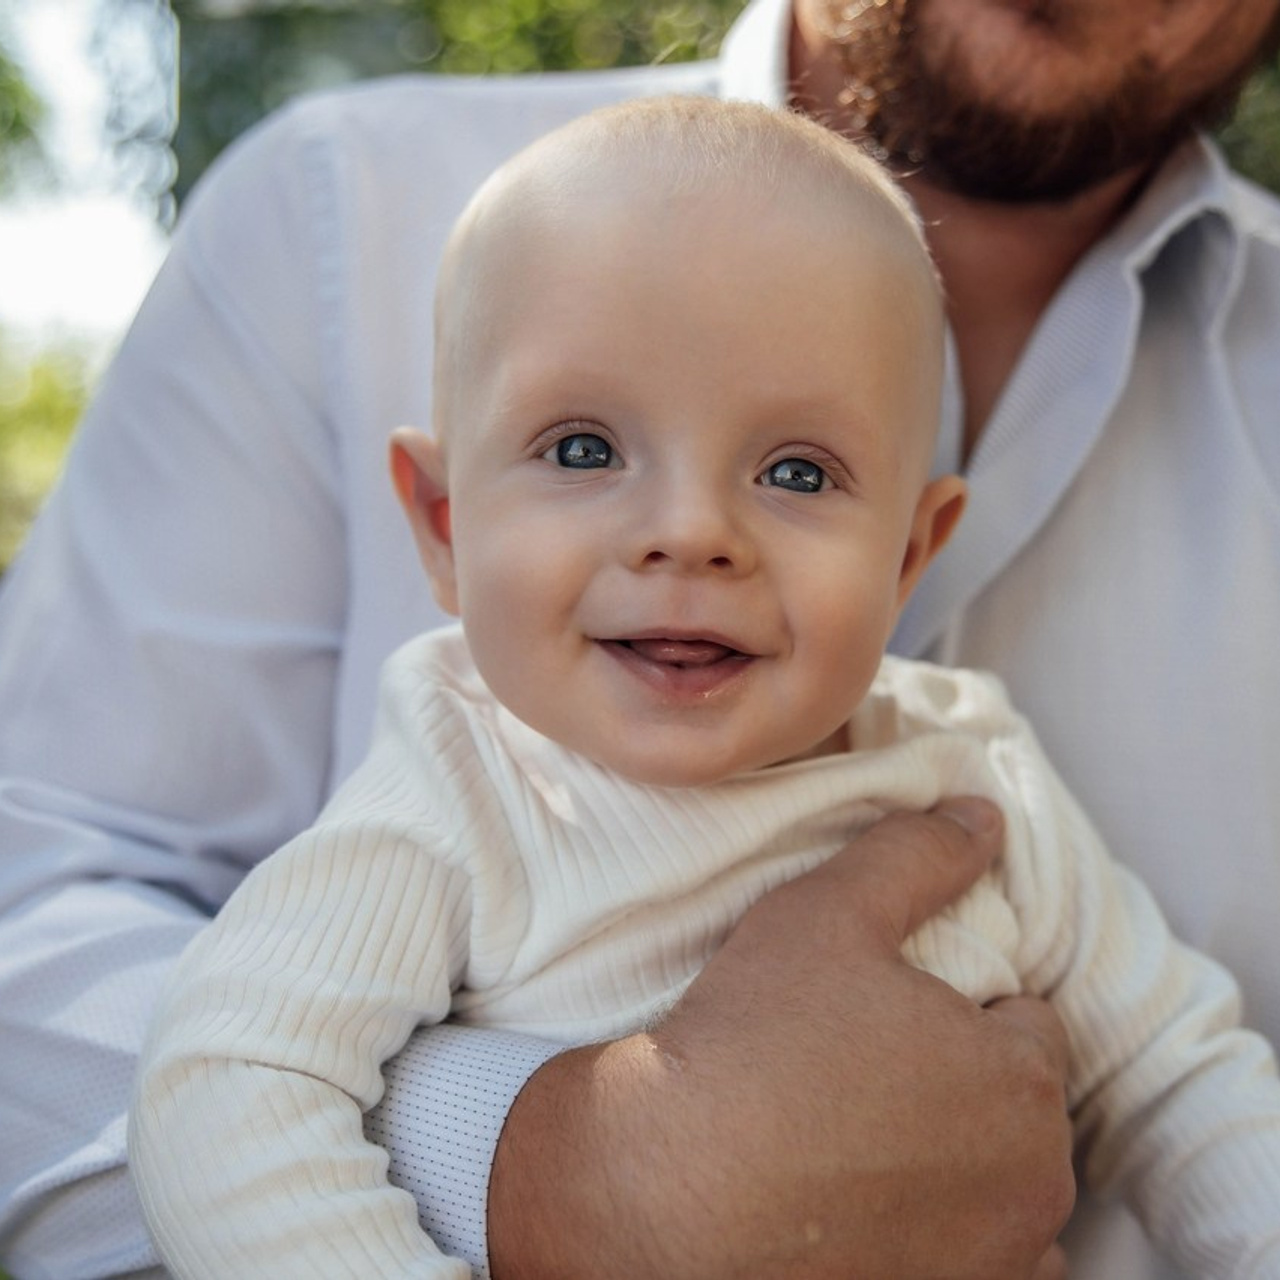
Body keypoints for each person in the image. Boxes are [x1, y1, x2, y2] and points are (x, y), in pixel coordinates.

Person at [1, 0, 1278, 1275]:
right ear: (442, 525)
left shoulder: (978, 776)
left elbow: (1183, 1077)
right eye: (581, 449)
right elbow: (228, 1076)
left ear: (908, 556)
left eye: (793, 469)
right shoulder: (461, 796)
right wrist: (554, 1170)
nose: (690, 532)